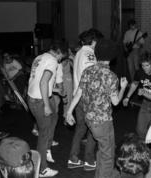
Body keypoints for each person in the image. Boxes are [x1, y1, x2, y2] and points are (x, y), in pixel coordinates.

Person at [66, 39, 128, 178]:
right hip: (103, 122)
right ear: (111, 56)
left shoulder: (88, 71)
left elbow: (78, 94)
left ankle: (101, 174)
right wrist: (123, 88)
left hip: (89, 119)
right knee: (108, 155)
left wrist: (69, 112)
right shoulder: (111, 76)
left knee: (102, 150)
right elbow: (116, 101)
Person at [27, 41, 68, 177]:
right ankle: (42, 169)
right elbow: (43, 82)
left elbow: (40, 80)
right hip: (39, 100)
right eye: (62, 56)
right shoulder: (52, 61)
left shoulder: (39, 57)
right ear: (58, 52)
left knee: (54, 117)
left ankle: (47, 150)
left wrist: (57, 90)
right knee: (44, 133)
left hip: (34, 96)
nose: (61, 59)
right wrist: (46, 105)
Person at [67, 29, 103, 171]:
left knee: (81, 128)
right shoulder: (89, 54)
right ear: (93, 41)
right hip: (88, 97)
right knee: (91, 130)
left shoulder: (79, 53)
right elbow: (91, 77)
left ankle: (73, 158)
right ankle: (89, 160)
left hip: (79, 97)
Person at [122, 52, 151, 160]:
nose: (144, 68)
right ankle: (147, 148)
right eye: (142, 65)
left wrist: (145, 93)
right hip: (145, 104)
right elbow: (134, 84)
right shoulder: (139, 72)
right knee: (140, 130)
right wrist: (127, 97)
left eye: (147, 65)